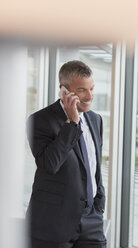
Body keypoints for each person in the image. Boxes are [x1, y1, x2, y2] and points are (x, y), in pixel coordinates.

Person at [26, 60, 107, 248]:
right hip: (53, 223)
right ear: (64, 91)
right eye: (82, 90)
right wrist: (72, 123)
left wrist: (98, 206)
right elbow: (49, 164)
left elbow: (94, 168)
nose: (89, 96)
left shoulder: (95, 120)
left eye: (92, 89)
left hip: (91, 220)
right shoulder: (40, 120)